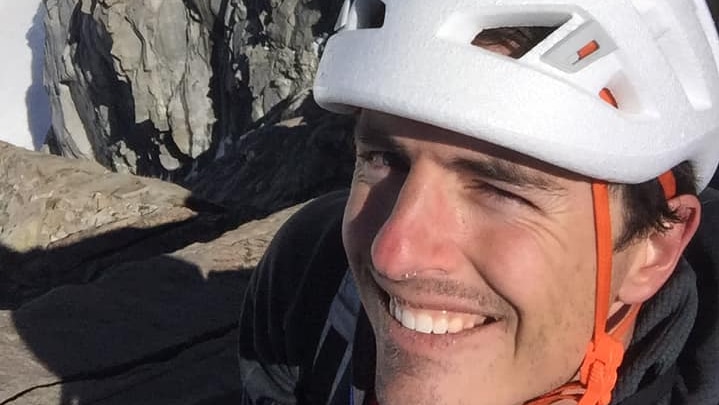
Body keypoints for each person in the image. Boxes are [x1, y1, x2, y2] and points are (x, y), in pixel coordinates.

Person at [238, 1, 719, 404]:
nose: (393, 254)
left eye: (498, 188)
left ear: (654, 250)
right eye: (385, 159)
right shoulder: (308, 280)